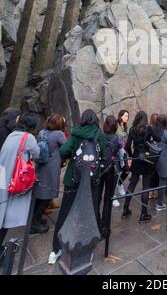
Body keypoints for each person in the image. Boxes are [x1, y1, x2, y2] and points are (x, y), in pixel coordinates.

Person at [48, 109, 105, 265]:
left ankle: (56, 250)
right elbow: (105, 154)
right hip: (92, 182)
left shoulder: (75, 134)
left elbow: (63, 151)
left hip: (73, 179)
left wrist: (73, 155)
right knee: (90, 215)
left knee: (65, 213)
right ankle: (87, 251)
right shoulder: (99, 135)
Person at [0, 113, 40, 262]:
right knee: (6, 217)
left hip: (3, 176)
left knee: (2, 211)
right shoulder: (28, 138)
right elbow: (37, 153)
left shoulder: (11, 135)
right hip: (14, 177)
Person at [122, 111, 160, 223]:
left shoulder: (132, 129)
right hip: (147, 159)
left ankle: (125, 208)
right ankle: (143, 213)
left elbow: (127, 145)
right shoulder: (149, 128)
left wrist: (131, 155)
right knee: (146, 187)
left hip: (136, 158)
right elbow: (158, 138)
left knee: (132, 183)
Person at [31, 114, 66, 234]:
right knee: (46, 196)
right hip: (51, 168)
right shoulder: (59, 134)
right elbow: (66, 149)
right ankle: (34, 223)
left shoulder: (41, 132)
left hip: (40, 166)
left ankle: (35, 219)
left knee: (39, 194)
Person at [98, 115, 121, 240]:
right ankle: (105, 226)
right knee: (108, 198)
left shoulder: (100, 136)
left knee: (97, 197)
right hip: (111, 170)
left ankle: (97, 222)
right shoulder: (116, 138)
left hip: (100, 169)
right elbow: (120, 150)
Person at [115, 110, 129, 201]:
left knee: (126, 170)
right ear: (121, 116)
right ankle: (113, 197)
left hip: (123, 153)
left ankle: (119, 184)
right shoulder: (116, 126)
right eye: (126, 116)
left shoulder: (124, 127)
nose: (127, 118)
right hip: (116, 153)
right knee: (115, 174)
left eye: (128, 116)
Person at [149, 113, 160, 200]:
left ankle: (150, 192)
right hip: (156, 152)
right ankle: (152, 192)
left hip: (150, 152)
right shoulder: (158, 129)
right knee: (155, 173)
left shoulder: (149, 127)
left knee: (150, 173)